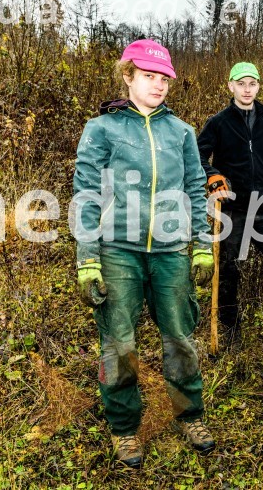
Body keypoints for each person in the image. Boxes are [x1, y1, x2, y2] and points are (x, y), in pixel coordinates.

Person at [73, 39, 216, 469]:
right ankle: (124, 428)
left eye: (164, 78)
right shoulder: (102, 128)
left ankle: (189, 416)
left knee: (180, 339)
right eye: (149, 76)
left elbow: (196, 187)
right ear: (128, 76)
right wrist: (87, 257)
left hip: (170, 251)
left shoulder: (181, 131)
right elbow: (86, 193)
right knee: (119, 342)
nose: (158, 85)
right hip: (118, 250)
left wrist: (203, 245)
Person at [197, 62, 263, 348]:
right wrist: (212, 175)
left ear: (258, 87)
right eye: (241, 84)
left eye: (252, 84)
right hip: (232, 209)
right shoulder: (218, 122)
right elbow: (197, 155)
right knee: (228, 269)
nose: (246, 89)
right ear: (230, 86)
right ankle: (231, 330)